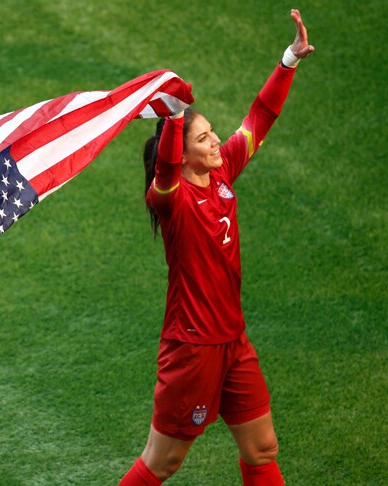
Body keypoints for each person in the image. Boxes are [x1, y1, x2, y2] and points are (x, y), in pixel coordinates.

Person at [119, 9, 314, 486]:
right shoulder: (169, 199)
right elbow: (164, 169)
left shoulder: (222, 171)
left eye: (212, 134)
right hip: (192, 348)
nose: (217, 141)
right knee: (162, 462)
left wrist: (287, 61)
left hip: (232, 340)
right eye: (204, 138)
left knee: (262, 447)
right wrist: (173, 116)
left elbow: (260, 118)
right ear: (181, 151)